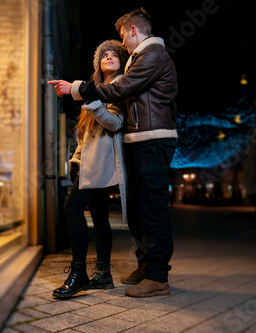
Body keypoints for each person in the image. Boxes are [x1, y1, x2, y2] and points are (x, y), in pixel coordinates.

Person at [48, 7, 178, 298]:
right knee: (139, 211)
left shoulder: (152, 55)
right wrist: (77, 158)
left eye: (123, 37)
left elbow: (121, 94)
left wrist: (77, 89)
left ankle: (158, 277)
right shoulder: (140, 59)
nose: (122, 45)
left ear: (133, 31)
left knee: (153, 210)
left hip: (153, 141)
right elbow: (86, 134)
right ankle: (145, 267)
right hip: (140, 142)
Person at [52, 40, 128, 299]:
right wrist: (75, 160)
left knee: (72, 207)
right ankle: (104, 273)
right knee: (99, 216)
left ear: (122, 60)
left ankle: (79, 273)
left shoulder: (120, 87)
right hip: (90, 164)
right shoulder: (97, 88)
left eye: (114, 53)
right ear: (98, 64)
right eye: (103, 55)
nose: (108, 57)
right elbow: (84, 136)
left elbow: (116, 123)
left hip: (105, 163)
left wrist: (93, 103)